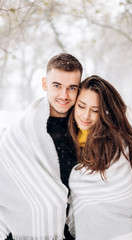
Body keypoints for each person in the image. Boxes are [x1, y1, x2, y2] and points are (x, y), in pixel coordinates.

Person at [0, 53, 83, 240]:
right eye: (57, 86)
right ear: (45, 84)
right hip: (23, 232)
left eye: (72, 88)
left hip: (71, 232)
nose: (64, 95)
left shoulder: (84, 129)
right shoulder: (21, 131)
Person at [67, 75, 132, 240]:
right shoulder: (67, 137)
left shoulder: (116, 146)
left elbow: (126, 200)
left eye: (95, 110)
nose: (86, 116)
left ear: (105, 113)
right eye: (81, 106)